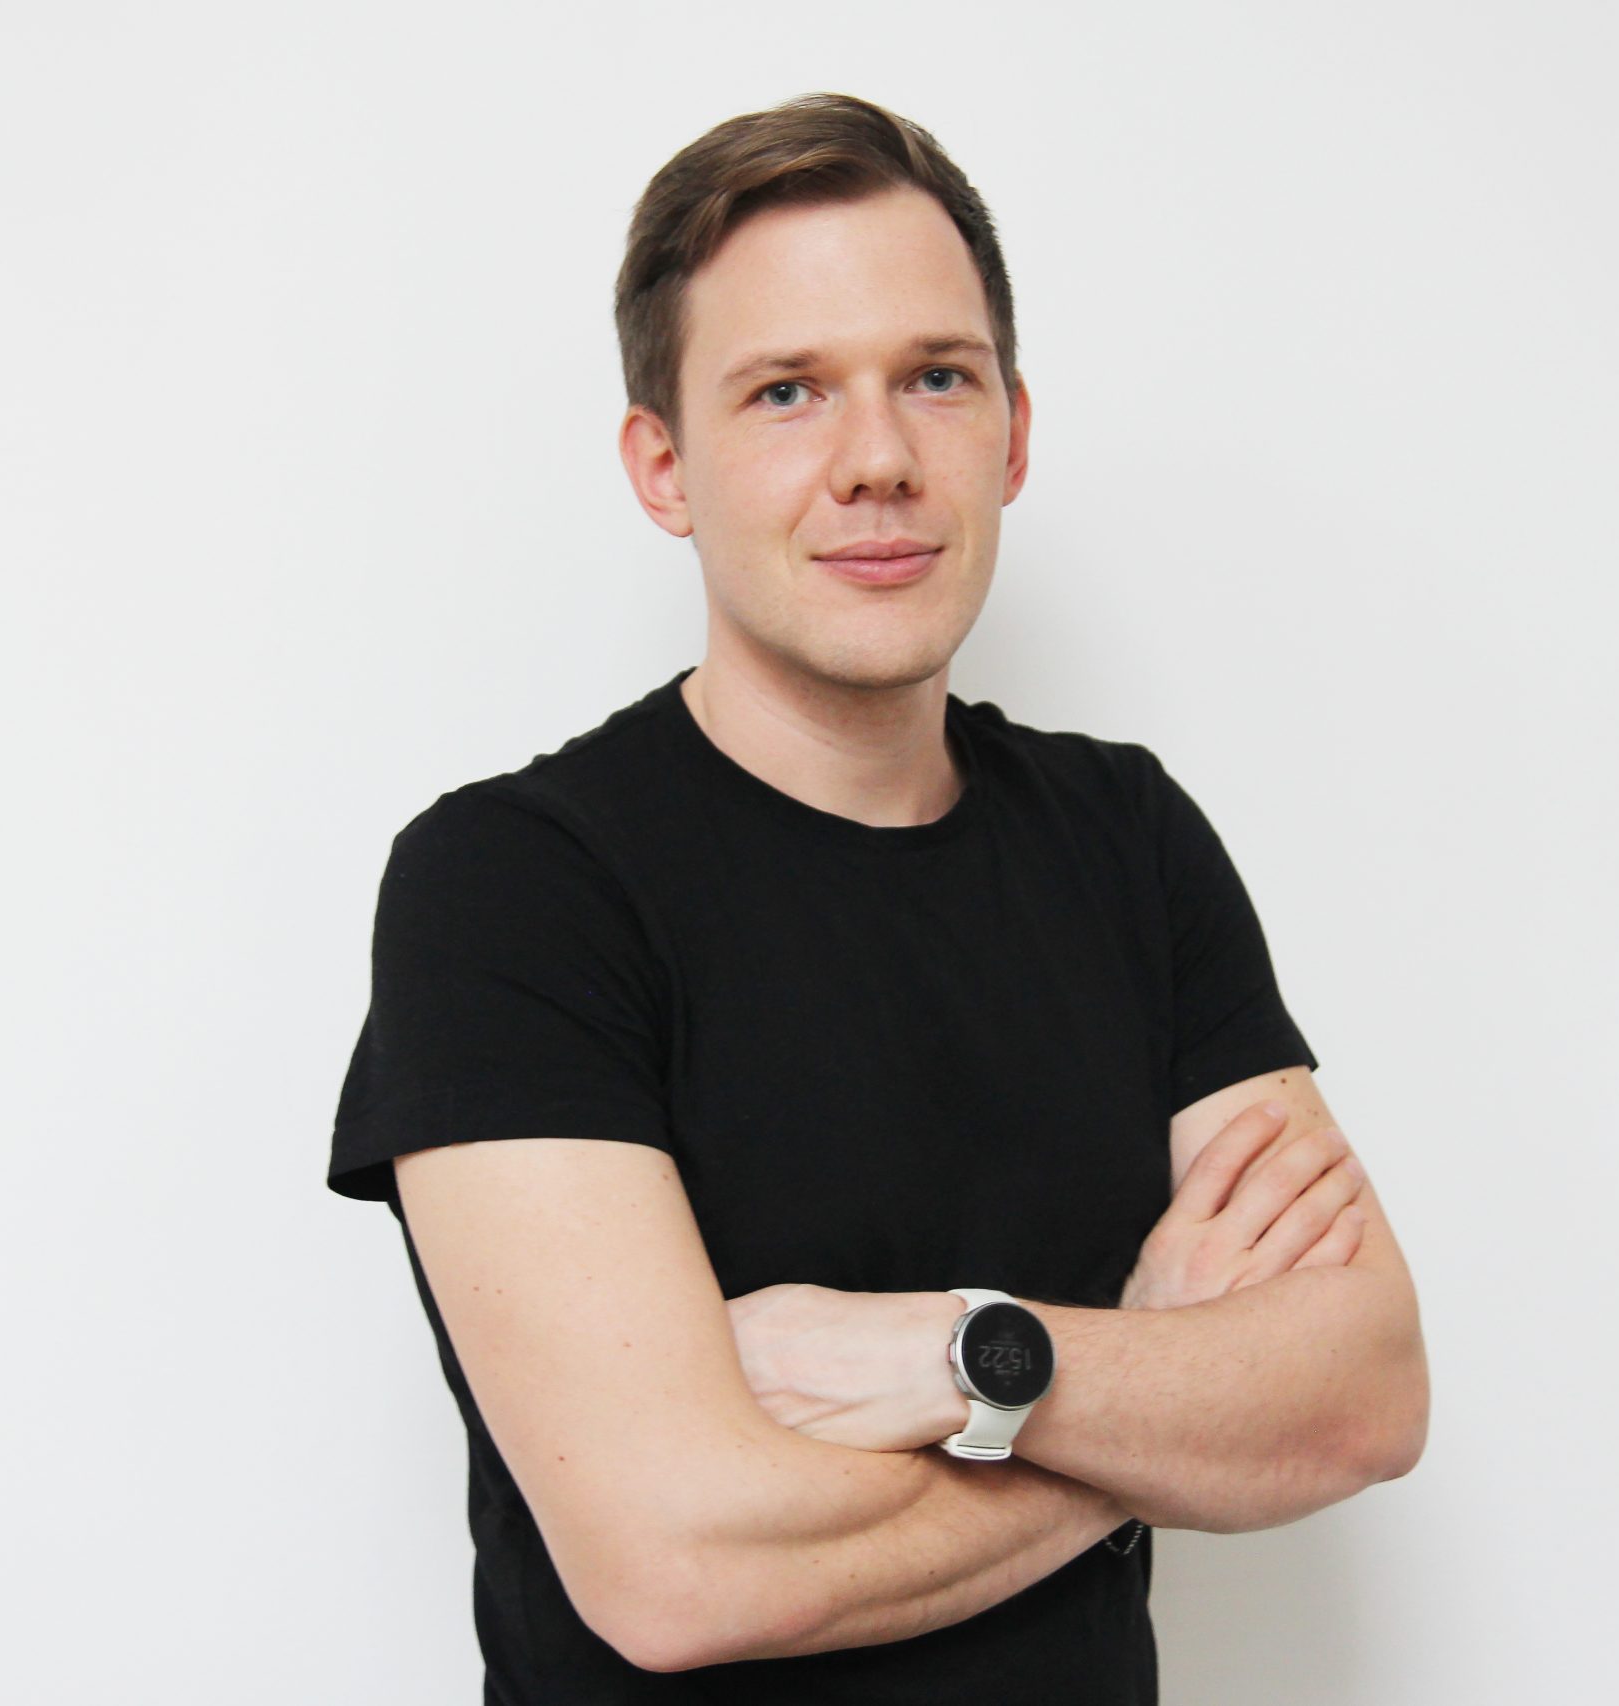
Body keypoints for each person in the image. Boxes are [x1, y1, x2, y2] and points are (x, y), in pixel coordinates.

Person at [327, 91, 1428, 1703]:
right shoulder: (514, 886)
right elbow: (678, 1568)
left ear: (1015, 433)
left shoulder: (1126, 835)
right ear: (663, 465)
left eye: (936, 377)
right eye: (787, 391)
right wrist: (1135, 1389)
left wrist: (948, 1354)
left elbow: (1363, 1392)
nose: (879, 461)